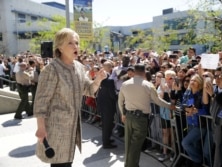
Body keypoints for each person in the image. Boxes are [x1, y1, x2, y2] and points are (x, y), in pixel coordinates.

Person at [34, 28, 106, 167]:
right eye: (70, 43)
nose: (76, 46)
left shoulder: (79, 67)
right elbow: (41, 101)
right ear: (60, 47)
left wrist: (98, 80)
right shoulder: (51, 69)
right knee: (59, 163)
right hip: (56, 129)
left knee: (68, 162)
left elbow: (89, 90)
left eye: (77, 43)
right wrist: (40, 127)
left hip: (73, 129)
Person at [118, 63, 175, 167]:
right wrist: (169, 105)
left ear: (134, 72)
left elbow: (120, 101)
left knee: (129, 144)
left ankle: (129, 164)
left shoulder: (125, 84)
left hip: (129, 116)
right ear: (144, 72)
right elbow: (157, 100)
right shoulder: (148, 85)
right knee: (136, 145)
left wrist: (123, 114)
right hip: (140, 119)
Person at [96, 60, 117, 149]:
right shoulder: (109, 81)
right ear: (110, 68)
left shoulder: (100, 79)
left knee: (105, 124)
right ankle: (106, 142)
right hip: (108, 106)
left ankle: (107, 139)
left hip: (102, 105)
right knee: (107, 124)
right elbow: (112, 95)